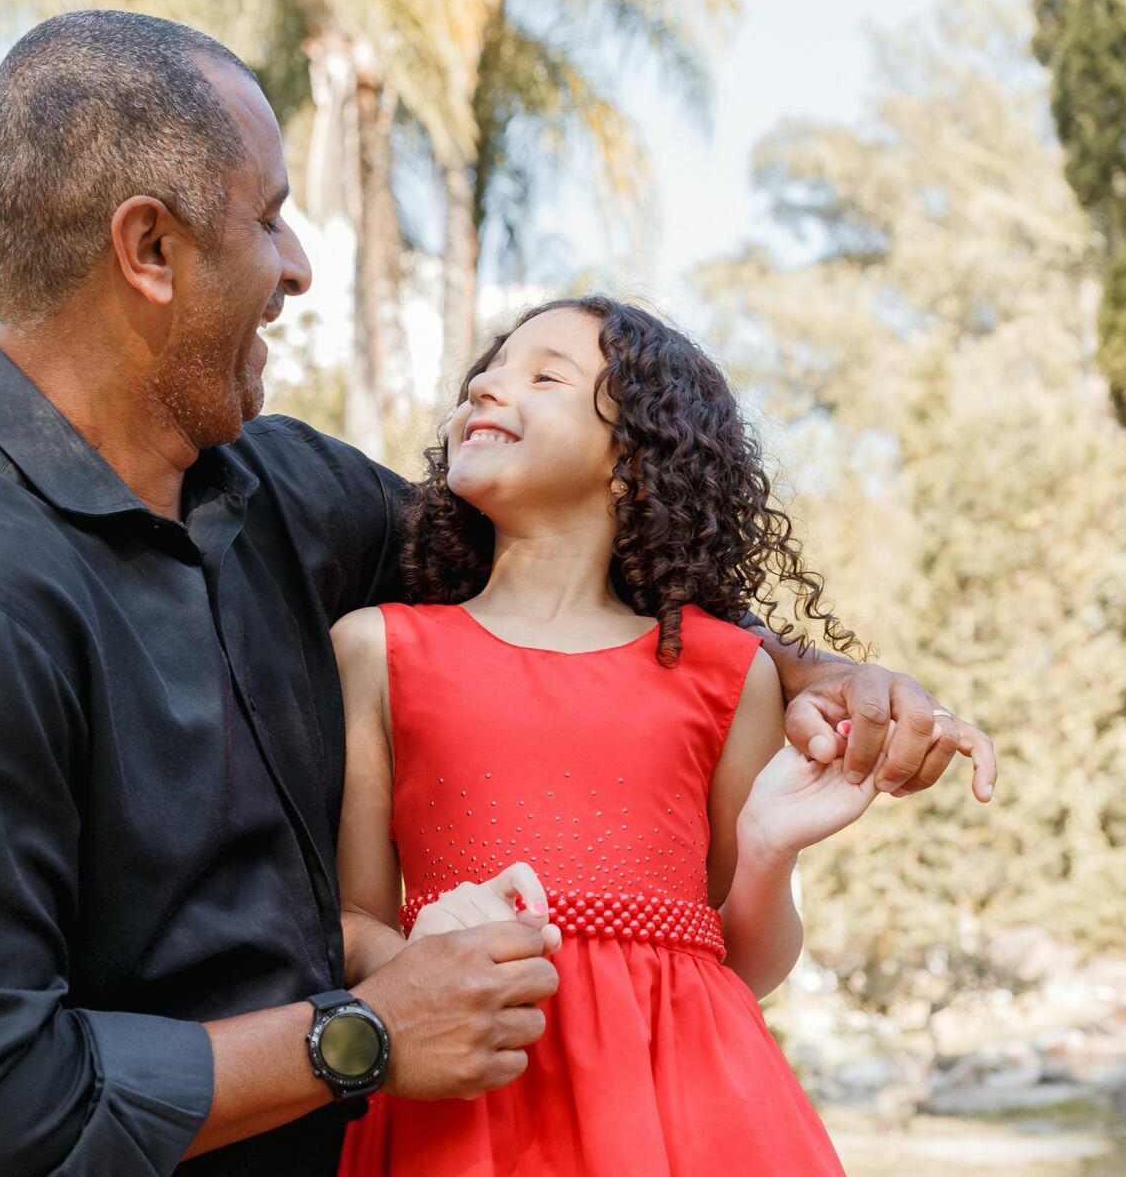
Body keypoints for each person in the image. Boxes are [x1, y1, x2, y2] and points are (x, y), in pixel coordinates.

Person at [0, 9, 995, 1177]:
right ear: (150, 250)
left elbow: (574, 582)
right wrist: (355, 1035)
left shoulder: (286, 491)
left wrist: (812, 669)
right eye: (269, 219)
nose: (299, 267)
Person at [334, 297, 996, 1174]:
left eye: (545, 376)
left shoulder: (728, 672)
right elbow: (349, 920)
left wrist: (771, 850)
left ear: (633, 466)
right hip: (463, 1100)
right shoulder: (378, 649)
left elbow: (745, 966)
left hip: (691, 1111)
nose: (486, 387)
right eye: (484, 374)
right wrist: (426, 960)